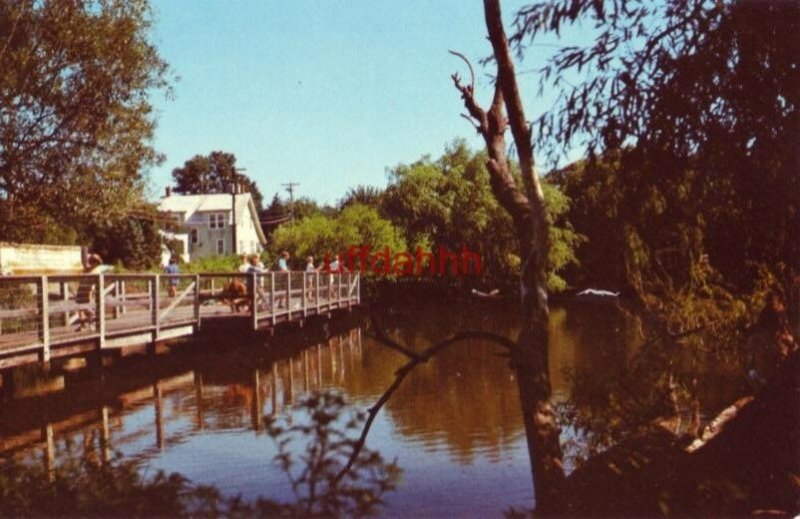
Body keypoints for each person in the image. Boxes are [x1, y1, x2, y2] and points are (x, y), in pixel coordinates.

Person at [75, 253, 103, 331]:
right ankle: (83, 325)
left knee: (87, 306)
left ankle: (92, 322)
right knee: (79, 307)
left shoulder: (97, 270)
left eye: (94, 261)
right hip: (82, 288)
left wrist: (92, 290)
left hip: (88, 290)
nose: (91, 262)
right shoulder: (87, 269)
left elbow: (95, 282)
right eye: (91, 261)